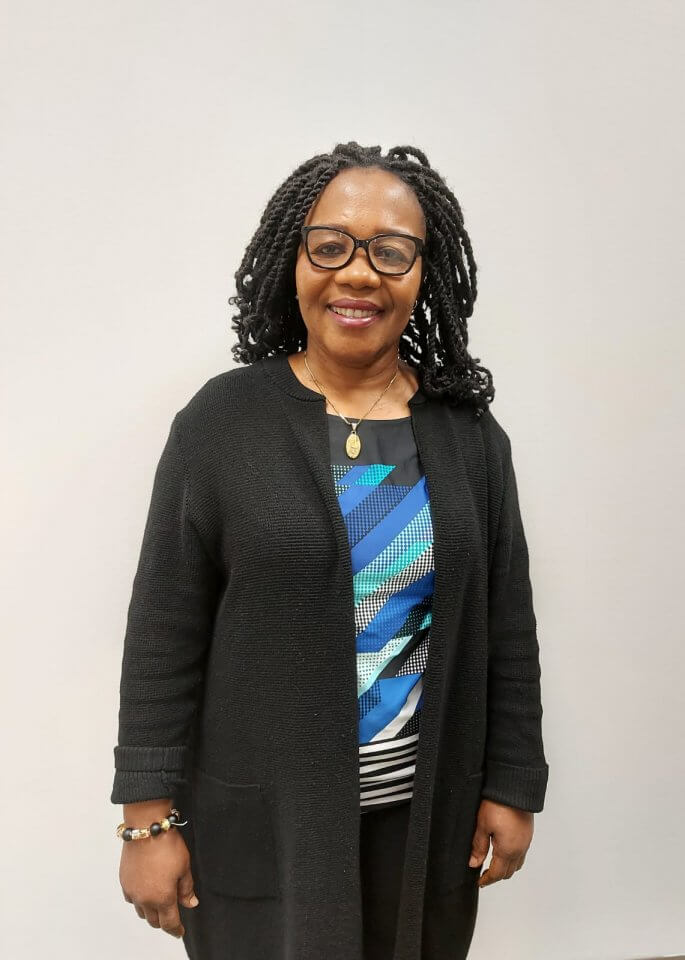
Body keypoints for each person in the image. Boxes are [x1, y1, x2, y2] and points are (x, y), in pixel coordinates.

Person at [111, 141, 549, 960]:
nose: (359, 273)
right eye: (331, 245)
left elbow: (507, 627)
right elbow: (163, 630)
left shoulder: (468, 438)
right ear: (294, 260)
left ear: (424, 275)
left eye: (391, 251)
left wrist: (512, 785)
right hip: (262, 823)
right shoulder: (222, 424)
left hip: (423, 822)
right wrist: (146, 819)